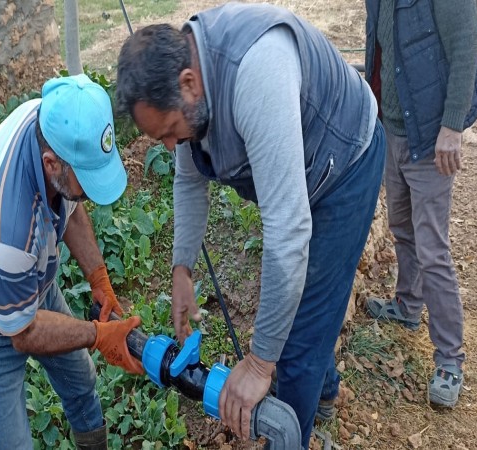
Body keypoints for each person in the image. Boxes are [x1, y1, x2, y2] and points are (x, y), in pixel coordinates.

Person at [115, 3, 386, 448]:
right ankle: (325, 391)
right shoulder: (188, 85)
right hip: (303, 169)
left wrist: (260, 364)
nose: (168, 145)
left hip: (344, 164)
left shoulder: (257, 72)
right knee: (305, 304)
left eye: (168, 130)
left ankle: (291, 431)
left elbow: (289, 234)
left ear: (188, 83)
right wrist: (182, 269)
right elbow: (189, 178)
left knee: (296, 339)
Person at [0, 74, 144, 450]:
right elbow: (23, 333)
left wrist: (99, 279)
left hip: (35, 288)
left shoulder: (56, 122)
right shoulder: (11, 225)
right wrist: (99, 336)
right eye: (86, 179)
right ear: (51, 163)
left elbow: (70, 204)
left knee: (81, 383)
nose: (89, 191)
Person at [363, 0, 477, 408]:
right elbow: (378, 50)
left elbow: (465, 42)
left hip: (431, 134)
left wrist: (453, 125)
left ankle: (450, 358)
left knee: (433, 249)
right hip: (394, 129)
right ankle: (407, 303)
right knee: (401, 226)